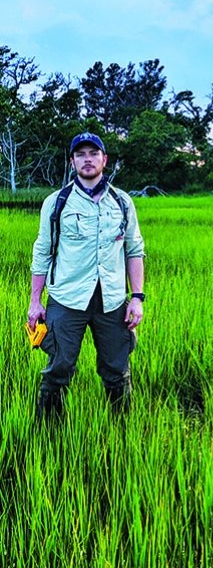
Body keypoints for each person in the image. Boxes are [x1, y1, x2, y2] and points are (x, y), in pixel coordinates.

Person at [27, 132, 145, 418]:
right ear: (72, 162)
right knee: (59, 368)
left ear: (104, 160)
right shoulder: (57, 202)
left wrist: (137, 297)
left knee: (116, 368)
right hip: (67, 300)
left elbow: (134, 249)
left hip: (112, 301)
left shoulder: (123, 202)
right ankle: (48, 434)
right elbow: (43, 251)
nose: (87, 159)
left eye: (94, 153)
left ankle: (122, 429)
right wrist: (35, 301)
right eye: (81, 154)